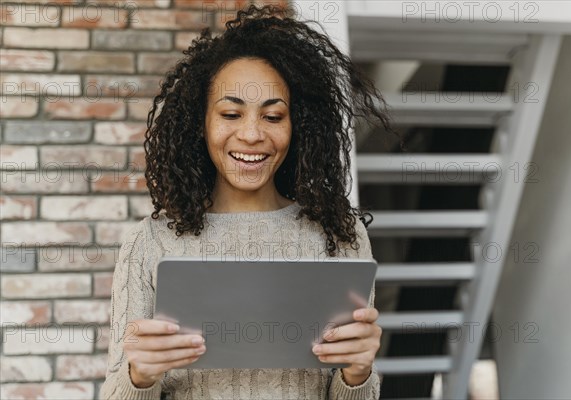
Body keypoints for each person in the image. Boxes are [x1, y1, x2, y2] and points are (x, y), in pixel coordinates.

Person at [100, 4, 396, 399]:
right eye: (231, 114)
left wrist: (358, 374)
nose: (252, 135)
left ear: (298, 127)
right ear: (200, 123)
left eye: (273, 117)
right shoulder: (150, 243)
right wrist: (139, 377)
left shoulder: (340, 236)